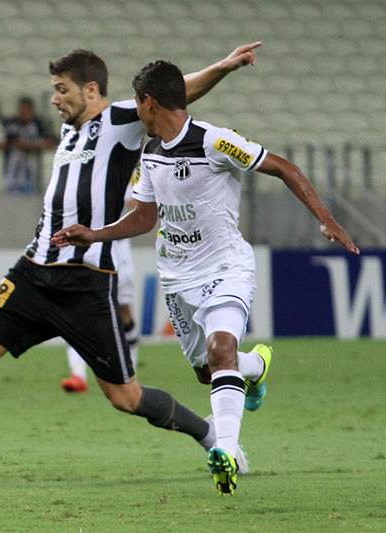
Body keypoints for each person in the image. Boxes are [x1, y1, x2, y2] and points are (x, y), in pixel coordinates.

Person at [0, 43, 262, 483]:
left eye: (61, 89)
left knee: (126, 397)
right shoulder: (69, 132)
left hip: (87, 280)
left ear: (91, 89)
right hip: (34, 271)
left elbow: (176, 91)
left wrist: (224, 67)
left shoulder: (118, 121)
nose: (54, 99)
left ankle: (214, 437)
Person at [51, 59, 359, 495]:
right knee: (208, 370)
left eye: (138, 105)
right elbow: (143, 217)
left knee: (220, 351)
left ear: (148, 102)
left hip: (225, 267)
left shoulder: (215, 141)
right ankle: (255, 367)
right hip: (177, 278)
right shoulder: (151, 153)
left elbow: (285, 167)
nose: (136, 114)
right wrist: (95, 234)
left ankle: (227, 453)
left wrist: (326, 219)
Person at [61, 186, 139, 394]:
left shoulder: (129, 167)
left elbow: (138, 208)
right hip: (85, 247)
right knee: (78, 310)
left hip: (118, 249)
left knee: (123, 312)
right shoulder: (84, 167)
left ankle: (130, 375)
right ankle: (78, 375)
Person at [2, 96, 56, 194]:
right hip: (13, 171)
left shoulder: (38, 124)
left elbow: (50, 143)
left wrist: (31, 145)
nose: (24, 112)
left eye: (27, 109)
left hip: (32, 171)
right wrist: (38, 145)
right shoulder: (12, 123)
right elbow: (16, 143)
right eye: (22, 109)